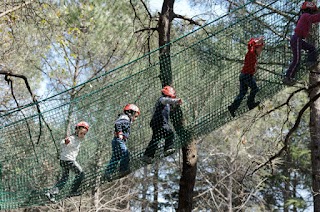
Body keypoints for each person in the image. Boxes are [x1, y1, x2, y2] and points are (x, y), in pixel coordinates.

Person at [45, 121, 89, 203]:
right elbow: (63, 142)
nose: (83, 135)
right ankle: (73, 191)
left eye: (84, 134)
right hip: (68, 160)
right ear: (77, 130)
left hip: (63, 160)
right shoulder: (72, 138)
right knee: (81, 173)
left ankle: (51, 193)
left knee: (64, 178)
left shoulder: (78, 139)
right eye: (81, 133)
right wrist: (65, 142)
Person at [141, 85, 182, 164]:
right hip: (160, 123)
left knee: (155, 140)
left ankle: (147, 156)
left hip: (155, 123)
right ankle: (167, 148)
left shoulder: (164, 104)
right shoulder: (162, 100)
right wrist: (176, 101)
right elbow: (166, 100)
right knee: (170, 133)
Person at [283, 1, 320, 86]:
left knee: (312, 48)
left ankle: (310, 62)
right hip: (297, 39)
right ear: (310, 10)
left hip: (298, 39)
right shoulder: (306, 15)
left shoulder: (303, 16)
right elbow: (313, 18)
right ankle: (287, 77)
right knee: (297, 60)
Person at [228, 37, 264, 117]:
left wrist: (255, 69)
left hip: (243, 75)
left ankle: (232, 108)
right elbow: (250, 44)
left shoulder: (254, 56)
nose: (261, 51)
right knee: (255, 88)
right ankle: (250, 104)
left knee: (242, 93)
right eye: (260, 49)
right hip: (246, 75)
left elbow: (252, 68)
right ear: (256, 48)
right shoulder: (251, 53)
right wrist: (257, 41)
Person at [103, 104, 140, 182]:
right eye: (135, 116)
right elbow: (117, 124)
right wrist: (120, 132)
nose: (135, 119)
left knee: (116, 158)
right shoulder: (125, 118)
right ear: (130, 113)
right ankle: (123, 170)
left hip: (116, 141)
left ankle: (108, 173)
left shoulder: (124, 118)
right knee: (125, 153)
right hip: (118, 140)